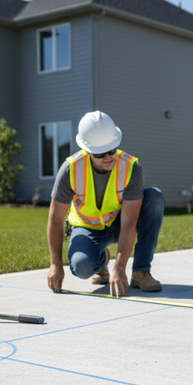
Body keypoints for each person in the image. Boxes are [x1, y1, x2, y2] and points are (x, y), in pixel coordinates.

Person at [47, 110, 164, 297]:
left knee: (154, 197)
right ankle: (101, 261)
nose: (109, 157)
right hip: (86, 227)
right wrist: (55, 265)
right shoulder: (70, 169)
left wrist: (119, 268)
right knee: (81, 267)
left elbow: (128, 223)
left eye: (112, 149)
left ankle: (140, 271)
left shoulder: (131, 168)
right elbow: (55, 220)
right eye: (101, 153)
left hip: (118, 222)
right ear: (88, 150)